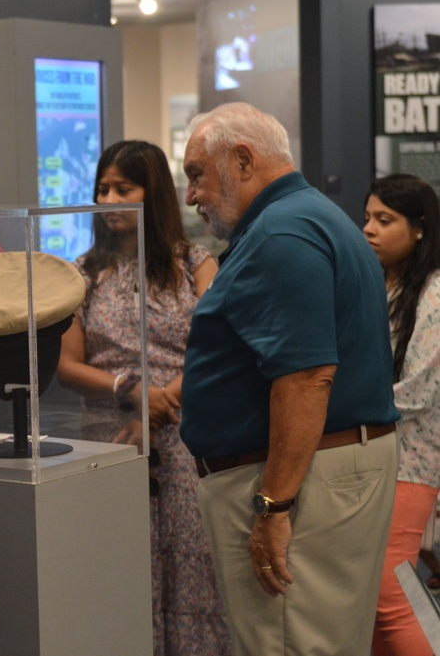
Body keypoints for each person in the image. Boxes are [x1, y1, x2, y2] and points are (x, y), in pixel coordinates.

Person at [180, 102, 399, 655]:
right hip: (323, 471)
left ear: (245, 159)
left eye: (197, 175)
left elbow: (306, 378)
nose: (191, 196)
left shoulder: (280, 234)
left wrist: (274, 505)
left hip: (299, 484)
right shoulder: (309, 217)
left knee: (292, 643)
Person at [56, 140, 229, 655]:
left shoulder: (196, 265)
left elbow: (212, 352)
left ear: (151, 195)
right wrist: (129, 391)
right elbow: (66, 366)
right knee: (117, 564)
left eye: (122, 189)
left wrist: (157, 405)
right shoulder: (82, 272)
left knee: (190, 570)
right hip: (108, 437)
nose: (109, 200)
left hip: (184, 439)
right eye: (102, 189)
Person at [364, 174, 440, 656]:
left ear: (420, 229)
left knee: (392, 589)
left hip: (410, 461)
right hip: (372, 455)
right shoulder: (380, 286)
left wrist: (346, 409)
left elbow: (420, 390)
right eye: (367, 217)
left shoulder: (433, 292)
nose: (368, 229)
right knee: (368, 592)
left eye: (384, 220)